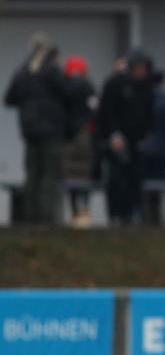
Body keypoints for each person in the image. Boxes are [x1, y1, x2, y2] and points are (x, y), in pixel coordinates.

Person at [4, 33, 73, 224]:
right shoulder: (52, 70)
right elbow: (69, 93)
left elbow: (10, 98)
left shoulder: (23, 71)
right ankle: (46, 218)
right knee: (48, 173)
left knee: (32, 173)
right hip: (51, 131)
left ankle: (29, 216)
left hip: (29, 130)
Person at [97, 50, 155, 225]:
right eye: (138, 68)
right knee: (116, 179)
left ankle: (132, 214)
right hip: (118, 141)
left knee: (135, 179)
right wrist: (113, 134)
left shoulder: (145, 87)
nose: (141, 72)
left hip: (138, 141)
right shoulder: (115, 84)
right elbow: (106, 113)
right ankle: (115, 215)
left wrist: (146, 134)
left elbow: (148, 114)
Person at [139, 70, 165, 225]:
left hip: (144, 149)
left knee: (144, 187)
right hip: (161, 150)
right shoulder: (164, 99)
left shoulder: (142, 97)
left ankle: (145, 218)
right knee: (158, 186)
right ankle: (155, 219)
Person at [62, 56, 98, 228]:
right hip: (84, 135)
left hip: (66, 137)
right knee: (84, 174)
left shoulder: (63, 86)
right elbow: (95, 109)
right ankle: (84, 213)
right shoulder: (88, 86)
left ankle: (74, 212)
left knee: (69, 175)